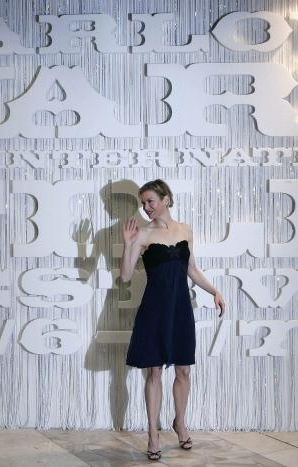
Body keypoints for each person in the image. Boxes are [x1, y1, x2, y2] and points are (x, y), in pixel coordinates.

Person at [119, 179, 226, 461]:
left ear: (166, 199)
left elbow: (192, 269)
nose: (146, 207)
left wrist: (214, 291)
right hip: (154, 310)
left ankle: (180, 423)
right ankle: (153, 434)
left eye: (150, 201)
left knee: (184, 371)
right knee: (154, 372)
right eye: (143, 203)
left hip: (180, 308)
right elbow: (126, 276)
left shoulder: (185, 230)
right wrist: (128, 245)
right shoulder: (142, 234)